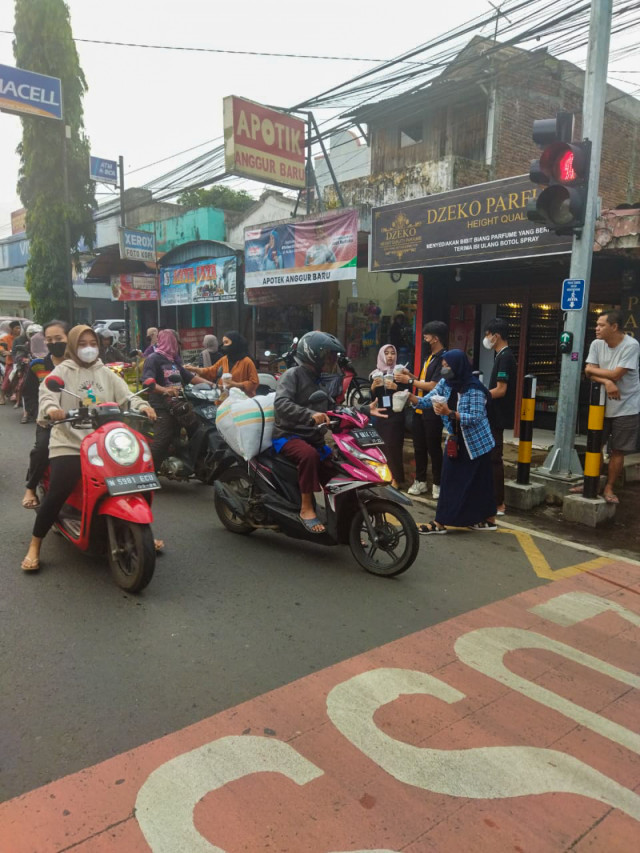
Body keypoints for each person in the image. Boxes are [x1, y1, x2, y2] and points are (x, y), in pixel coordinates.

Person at [20, 325, 157, 571]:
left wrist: (142, 405)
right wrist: (52, 410)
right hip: (70, 442)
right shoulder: (62, 371)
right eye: (82, 344)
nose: (88, 348)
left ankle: (138, 531)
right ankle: (35, 544)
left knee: (135, 475)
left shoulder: (104, 371)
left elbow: (127, 396)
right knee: (59, 489)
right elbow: (47, 396)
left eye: (92, 343)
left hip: (104, 441)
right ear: (73, 346)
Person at [408, 349, 497, 534]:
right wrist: (411, 398)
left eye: (447, 366)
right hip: (456, 440)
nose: (444, 369)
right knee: (450, 480)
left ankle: (487, 519)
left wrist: (450, 413)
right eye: (443, 366)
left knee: (480, 483)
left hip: (476, 443)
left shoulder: (474, 389)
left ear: (458, 365)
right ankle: (441, 521)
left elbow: (475, 416)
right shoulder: (446, 383)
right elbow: (427, 401)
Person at [272, 331, 346, 534]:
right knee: (309, 456)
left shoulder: (320, 379)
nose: (333, 360)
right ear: (314, 354)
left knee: (337, 469)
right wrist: (310, 414)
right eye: (329, 355)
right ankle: (306, 509)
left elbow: (334, 407)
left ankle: (345, 523)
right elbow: (281, 403)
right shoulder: (292, 375)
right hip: (287, 436)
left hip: (312, 437)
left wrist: (364, 411)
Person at [580, 310, 640, 504]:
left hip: (626, 405)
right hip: (601, 405)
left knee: (618, 450)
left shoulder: (631, 345)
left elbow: (616, 374)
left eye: (601, 325)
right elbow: (588, 372)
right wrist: (606, 382)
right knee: (595, 446)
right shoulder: (596, 344)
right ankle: (591, 482)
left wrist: (600, 374)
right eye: (596, 324)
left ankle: (609, 487)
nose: (596, 328)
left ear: (614, 327)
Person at [142, 329, 208, 472]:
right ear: (169, 342)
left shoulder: (173, 361)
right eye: (176, 342)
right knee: (162, 440)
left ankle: (194, 462)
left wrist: (214, 385)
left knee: (198, 427)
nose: (178, 346)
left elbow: (190, 377)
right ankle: (148, 473)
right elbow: (147, 382)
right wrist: (165, 390)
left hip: (178, 403)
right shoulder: (153, 359)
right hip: (161, 406)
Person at [21, 320, 70, 508]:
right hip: (48, 422)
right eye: (49, 339)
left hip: (79, 419)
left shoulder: (78, 364)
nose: (53, 343)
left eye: (59, 338)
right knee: (42, 448)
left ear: (69, 338)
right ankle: (31, 488)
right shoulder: (38, 365)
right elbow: (29, 393)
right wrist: (40, 414)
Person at [404, 320, 448, 498]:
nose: (424, 338)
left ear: (435, 338)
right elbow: (423, 381)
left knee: (434, 448)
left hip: (432, 409)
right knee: (419, 447)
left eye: (427, 335)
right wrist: (411, 376)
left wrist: (408, 381)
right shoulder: (429, 357)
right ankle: (420, 481)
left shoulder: (443, 359)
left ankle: (438, 483)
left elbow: (433, 386)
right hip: (419, 408)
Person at [483, 317, 517, 516]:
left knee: (495, 457)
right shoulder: (500, 356)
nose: (486, 339)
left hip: (498, 415)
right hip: (493, 413)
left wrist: (482, 395)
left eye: (487, 335)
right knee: (490, 455)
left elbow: (501, 389)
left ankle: (498, 504)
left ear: (495, 336)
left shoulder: (505, 357)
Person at [369, 344, 410, 489]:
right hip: (381, 414)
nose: (390, 356)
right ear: (381, 356)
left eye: (393, 353)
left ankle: (396, 478)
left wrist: (396, 387)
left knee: (394, 447)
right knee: (382, 447)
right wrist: (373, 387)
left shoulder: (400, 373)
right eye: (386, 353)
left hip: (396, 414)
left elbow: (409, 392)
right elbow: (373, 397)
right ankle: (385, 475)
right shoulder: (375, 373)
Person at [188, 332, 258, 397]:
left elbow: (254, 382)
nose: (224, 345)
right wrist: (194, 369)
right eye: (223, 343)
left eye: (226, 342)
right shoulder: (225, 359)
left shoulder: (247, 362)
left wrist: (237, 385)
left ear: (235, 343)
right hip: (225, 399)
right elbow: (212, 370)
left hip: (242, 400)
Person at [0, 320, 22, 404]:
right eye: (17, 328)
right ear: (11, 329)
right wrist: (3, 351)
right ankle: (2, 397)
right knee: (7, 380)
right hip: (11, 362)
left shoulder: (23, 338)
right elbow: (1, 345)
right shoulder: (6, 338)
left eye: (20, 328)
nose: (19, 330)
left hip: (22, 361)